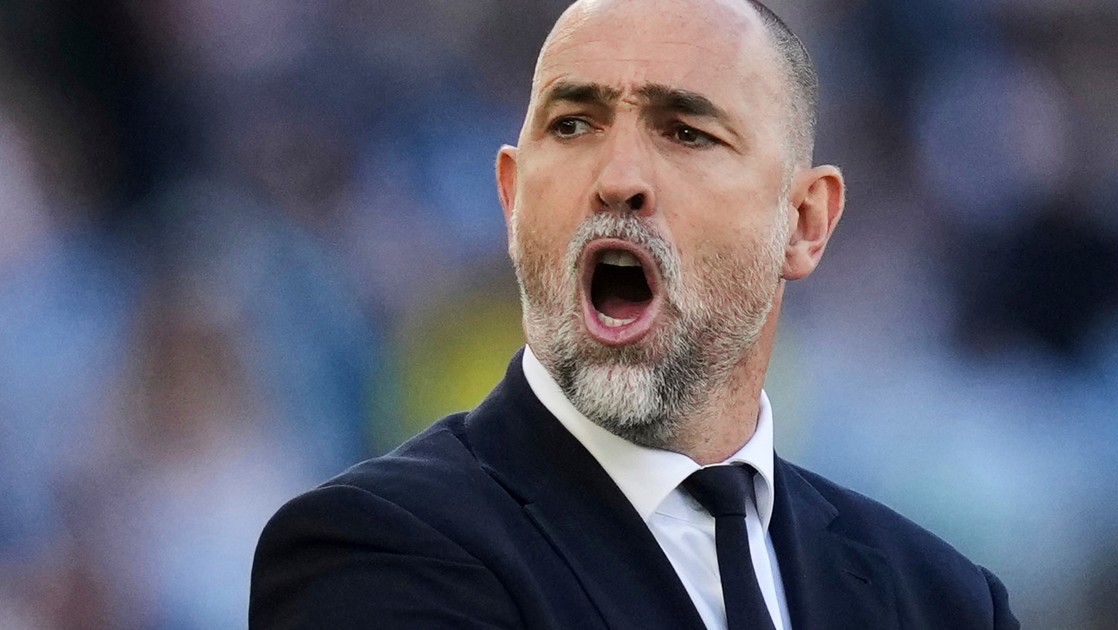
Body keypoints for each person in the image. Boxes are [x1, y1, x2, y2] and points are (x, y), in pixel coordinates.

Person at [250, 0, 1020, 627]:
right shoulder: (372, 550)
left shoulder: (941, 600)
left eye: (687, 132)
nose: (619, 178)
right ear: (513, 200)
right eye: (572, 125)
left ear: (804, 222)